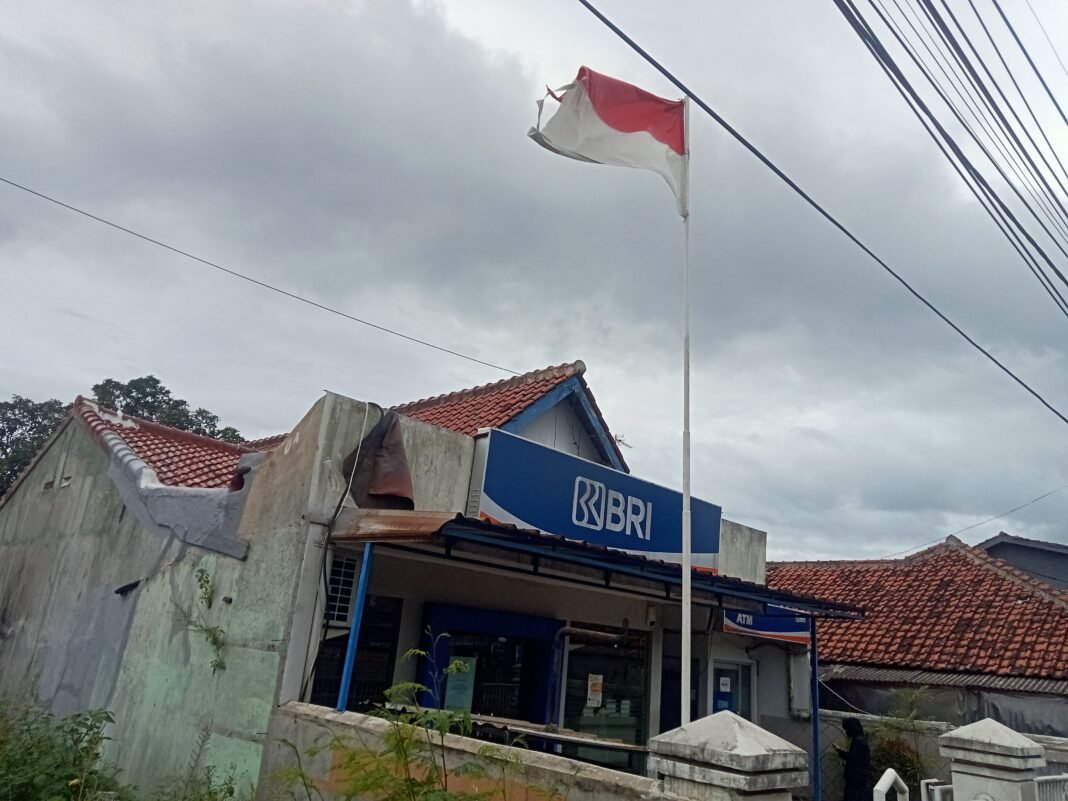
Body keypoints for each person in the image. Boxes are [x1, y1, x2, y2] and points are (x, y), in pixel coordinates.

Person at [834, 717, 872, 801]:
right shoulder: (859, 740)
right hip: (858, 778)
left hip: (856, 779)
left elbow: (853, 758)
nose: (846, 731)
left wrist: (840, 751)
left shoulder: (859, 741)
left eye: (847, 728)